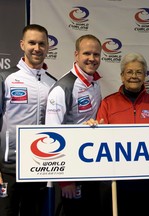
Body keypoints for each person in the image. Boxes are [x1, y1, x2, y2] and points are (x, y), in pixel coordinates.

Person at [85, 52, 149, 216]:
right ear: (122, 76)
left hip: (147, 181)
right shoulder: (108, 103)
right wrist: (93, 129)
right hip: (116, 181)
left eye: (139, 72)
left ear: (145, 76)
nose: (134, 76)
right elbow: (99, 140)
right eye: (129, 72)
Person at [0, 24, 57, 216]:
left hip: (38, 166)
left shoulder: (53, 83)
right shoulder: (6, 78)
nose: (37, 48)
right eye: (32, 43)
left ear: (48, 47)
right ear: (22, 44)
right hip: (9, 166)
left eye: (42, 43)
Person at [45, 34, 103, 216]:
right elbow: (51, 136)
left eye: (96, 54)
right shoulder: (64, 87)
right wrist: (65, 180)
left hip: (91, 166)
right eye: (87, 53)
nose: (92, 59)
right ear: (76, 55)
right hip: (71, 172)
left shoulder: (94, 83)